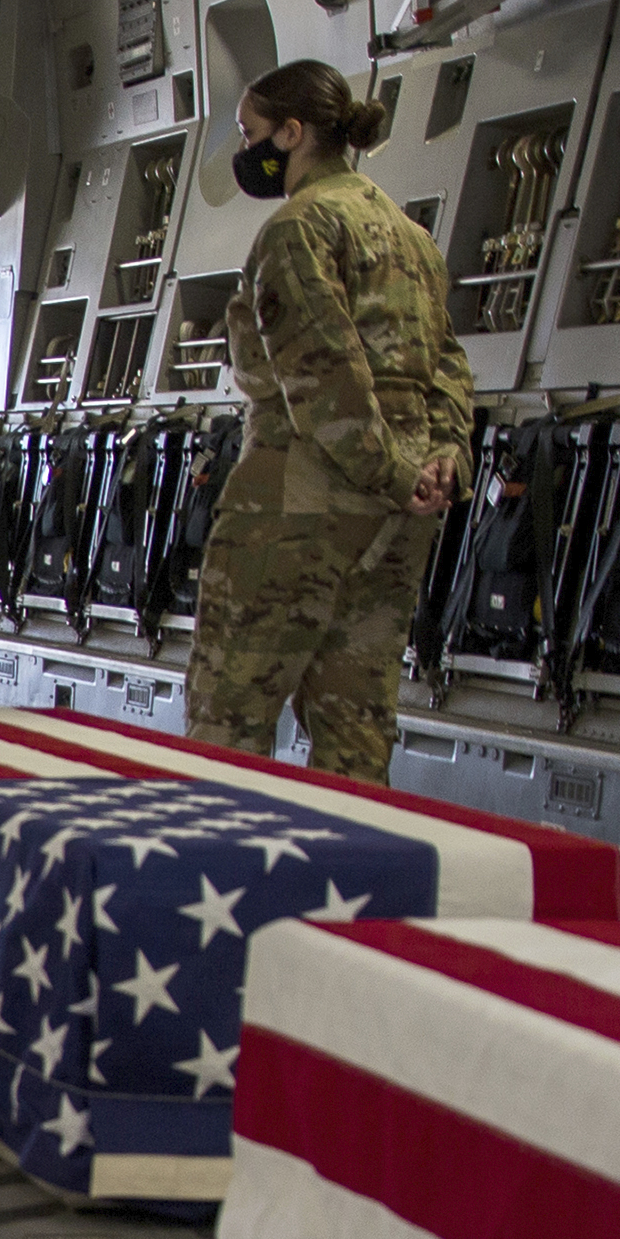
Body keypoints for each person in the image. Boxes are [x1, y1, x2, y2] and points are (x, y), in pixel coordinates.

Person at [184, 60, 470, 784]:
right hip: (398, 519)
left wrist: (389, 471)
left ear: (293, 131)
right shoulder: (413, 239)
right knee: (356, 731)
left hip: (299, 505)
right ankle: (349, 892)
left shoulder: (298, 229)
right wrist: (440, 464)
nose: (247, 152)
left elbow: (322, 372)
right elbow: (449, 368)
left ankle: (221, 892)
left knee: (229, 722)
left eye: (252, 135)